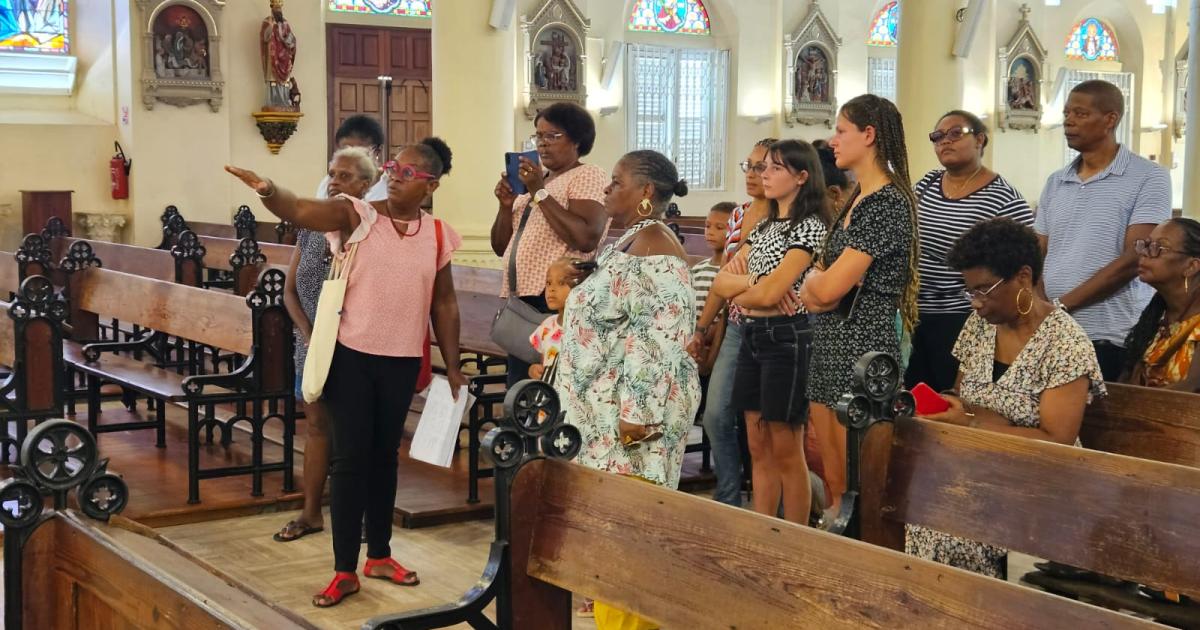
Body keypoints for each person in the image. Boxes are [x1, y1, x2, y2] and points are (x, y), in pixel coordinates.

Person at [226, 137, 467, 608]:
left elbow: (445, 301)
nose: (395, 174)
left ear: (431, 185)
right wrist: (268, 190)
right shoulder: (357, 216)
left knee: (384, 459)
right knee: (350, 461)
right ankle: (343, 570)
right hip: (349, 357)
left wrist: (453, 365)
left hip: (400, 362)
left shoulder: (437, 234)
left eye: (409, 172)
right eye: (394, 166)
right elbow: (300, 210)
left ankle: (379, 554)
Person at [910, 217, 1105, 578]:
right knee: (921, 509)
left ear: (1023, 277)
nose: (976, 304)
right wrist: (955, 411)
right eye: (970, 292)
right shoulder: (981, 326)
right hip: (978, 466)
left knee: (948, 528)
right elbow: (965, 397)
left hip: (1041, 481)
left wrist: (974, 423)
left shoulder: (1065, 343)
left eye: (984, 290)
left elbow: (1055, 442)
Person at [556, 150, 701, 630]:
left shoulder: (657, 245)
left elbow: (660, 334)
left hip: (632, 421)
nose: (606, 189)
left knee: (628, 536)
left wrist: (637, 414)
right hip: (605, 416)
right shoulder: (634, 239)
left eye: (616, 181)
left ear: (645, 193)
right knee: (610, 533)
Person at [800, 94, 919, 518]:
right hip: (831, 341)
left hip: (863, 348)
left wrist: (816, 283)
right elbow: (823, 280)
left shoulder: (888, 203)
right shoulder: (857, 198)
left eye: (841, 130)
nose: (833, 140)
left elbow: (826, 289)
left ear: (869, 135)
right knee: (833, 480)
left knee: (858, 485)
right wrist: (819, 282)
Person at [274, 117, 389, 544]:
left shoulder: (374, 227)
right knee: (319, 427)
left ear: (366, 183)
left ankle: (358, 514)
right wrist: (308, 333)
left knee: (356, 433)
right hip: (312, 343)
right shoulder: (311, 223)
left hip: (357, 341)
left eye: (346, 174)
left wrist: (339, 334)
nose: (335, 180)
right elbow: (289, 289)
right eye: (333, 172)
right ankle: (310, 512)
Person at [708, 140, 830, 523]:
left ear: (801, 176)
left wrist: (753, 290)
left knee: (785, 446)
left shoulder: (809, 226)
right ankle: (761, 529)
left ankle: (793, 536)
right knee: (757, 445)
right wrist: (757, 286)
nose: (765, 175)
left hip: (787, 339)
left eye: (776, 168)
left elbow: (775, 292)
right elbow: (720, 282)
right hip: (753, 336)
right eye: (764, 168)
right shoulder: (764, 226)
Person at [1036, 80, 1172, 380]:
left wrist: (1061, 306)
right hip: (1052, 330)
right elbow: (1038, 252)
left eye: (1081, 114)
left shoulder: (1148, 177)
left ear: (1110, 119)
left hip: (1108, 332)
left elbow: (1134, 258)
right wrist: (1042, 308)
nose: (1068, 121)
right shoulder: (1056, 181)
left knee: (1100, 424)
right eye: (1067, 113)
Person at [907, 110, 1034, 393]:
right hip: (916, 312)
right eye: (937, 137)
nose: (945, 142)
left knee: (951, 397)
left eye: (955, 133)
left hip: (964, 315)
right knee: (913, 397)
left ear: (980, 140)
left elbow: (1026, 254)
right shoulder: (927, 183)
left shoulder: (1003, 197)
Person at [492, 102, 608, 387]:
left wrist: (538, 193)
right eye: (538, 136)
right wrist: (505, 207)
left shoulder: (587, 175)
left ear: (577, 140)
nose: (542, 144)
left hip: (555, 298)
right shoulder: (539, 180)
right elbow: (500, 246)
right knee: (521, 386)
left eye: (552, 136)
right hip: (523, 298)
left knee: (546, 387)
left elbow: (585, 238)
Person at [688, 138, 777, 508]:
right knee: (716, 414)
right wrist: (701, 328)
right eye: (749, 166)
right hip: (736, 325)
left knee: (764, 426)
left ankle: (771, 501)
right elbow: (724, 279)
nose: (753, 174)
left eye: (762, 167)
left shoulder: (788, 216)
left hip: (775, 329)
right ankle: (728, 495)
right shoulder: (739, 215)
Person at [1122, 218, 1200, 390]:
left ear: (1191, 266)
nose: (1144, 253)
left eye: (1159, 248)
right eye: (1146, 245)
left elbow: (1193, 388)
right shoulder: (1156, 320)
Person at [690, 202, 736, 373]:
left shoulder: (731, 272)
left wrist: (706, 335)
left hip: (717, 344)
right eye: (707, 226)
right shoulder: (697, 269)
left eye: (719, 227)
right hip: (694, 340)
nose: (710, 232)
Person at [527, 257, 574, 382]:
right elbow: (543, 364)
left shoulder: (586, 330)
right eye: (548, 283)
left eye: (561, 283)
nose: (552, 289)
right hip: (549, 397)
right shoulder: (547, 326)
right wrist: (534, 370)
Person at [260, 0, 297, 109]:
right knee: (272, 79)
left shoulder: (285, 23)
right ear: (272, 9)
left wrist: (290, 41)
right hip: (273, 56)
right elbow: (264, 38)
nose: (278, 11)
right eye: (276, 9)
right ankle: (272, 103)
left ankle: (284, 101)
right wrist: (270, 27)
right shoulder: (267, 22)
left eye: (280, 9)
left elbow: (291, 38)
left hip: (284, 57)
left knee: (284, 81)